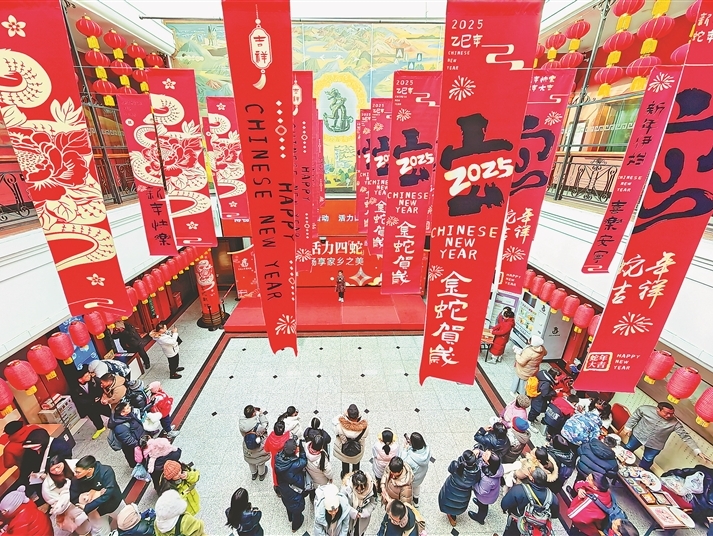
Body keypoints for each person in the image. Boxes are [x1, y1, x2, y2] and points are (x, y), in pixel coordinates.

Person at [622, 401, 709, 471]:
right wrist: (628, 428)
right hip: (638, 435)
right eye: (667, 413)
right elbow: (635, 417)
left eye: (672, 413)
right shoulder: (645, 409)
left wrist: (697, 450)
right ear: (658, 409)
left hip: (656, 445)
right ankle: (619, 464)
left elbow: (685, 436)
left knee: (647, 460)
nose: (669, 415)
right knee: (628, 448)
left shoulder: (675, 423)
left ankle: (640, 474)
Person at [70, 455, 125, 536]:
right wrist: (89, 497)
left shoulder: (106, 471)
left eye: (78, 472)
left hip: (113, 504)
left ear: (89, 470)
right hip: (95, 511)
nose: (75, 474)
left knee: (127, 520)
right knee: (101, 533)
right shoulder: (76, 479)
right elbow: (73, 497)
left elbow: (108, 494)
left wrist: (88, 506)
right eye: (75, 471)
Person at [501, 467, 559, 536]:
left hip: (517, 524)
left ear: (532, 479)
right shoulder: (552, 497)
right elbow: (555, 515)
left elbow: (504, 504)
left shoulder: (518, 490)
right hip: (538, 529)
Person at [41, 457, 92, 536]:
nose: (57, 470)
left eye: (58, 466)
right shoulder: (47, 487)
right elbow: (56, 504)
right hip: (70, 508)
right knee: (84, 529)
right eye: (53, 469)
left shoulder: (74, 464)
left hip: (86, 496)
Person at [438, 449, 480, 527]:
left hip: (451, 488)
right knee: (457, 504)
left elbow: (449, 469)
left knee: (449, 501)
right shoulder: (476, 472)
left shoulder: (455, 465)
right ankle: (453, 518)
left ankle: (451, 516)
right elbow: (476, 481)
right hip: (465, 493)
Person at [274, 439, 307, 533]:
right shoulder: (294, 464)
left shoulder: (278, 458)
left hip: (284, 488)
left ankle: (290, 517)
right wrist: (302, 450)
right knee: (297, 509)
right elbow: (304, 461)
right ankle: (295, 526)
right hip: (294, 490)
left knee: (288, 502)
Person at [70, 364, 111, 440]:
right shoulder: (75, 388)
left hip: (100, 402)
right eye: (86, 375)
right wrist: (91, 401)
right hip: (88, 406)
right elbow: (78, 400)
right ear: (80, 379)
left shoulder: (95, 380)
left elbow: (104, 389)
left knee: (109, 412)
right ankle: (100, 428)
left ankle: (115, 421)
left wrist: (104, 397)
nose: (89, 375)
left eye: (88, 373)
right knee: (95, 418)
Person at [333, 404, 369, 478]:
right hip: (357, 450)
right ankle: (355, 476)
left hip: (344, 450)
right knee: (356, 463)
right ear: (358, 415)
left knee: (345, 463)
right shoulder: (364, 427)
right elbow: (363, 438)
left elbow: (336, 433)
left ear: (348, 415)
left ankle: (345, 475)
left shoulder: (340, 425)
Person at [468, 450, 503, 525]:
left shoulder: (488, 480)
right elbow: (484, 454)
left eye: (486, 455)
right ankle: (479, 503)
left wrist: (473, 483)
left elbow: (481, 491)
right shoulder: (495, 465)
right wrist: (478, 451)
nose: (484, 453)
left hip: (485, 498)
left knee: (483, 507)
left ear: (488, 463)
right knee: (482, 504)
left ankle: (480, 518)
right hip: (489, 493)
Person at [108, 402, 145, 468]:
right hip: (132, 447)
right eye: (127, 408)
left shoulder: (129, 415)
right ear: (122, 413)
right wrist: (137, 444)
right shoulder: (120, 427)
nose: (130, 408)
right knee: (134, 459)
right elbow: (127, 439)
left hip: (139, 440)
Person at [239, 405, 270, 481]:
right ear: (253, 413)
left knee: (250, 461)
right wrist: (261, 415)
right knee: (260, 461)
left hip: (247, 444)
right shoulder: (257, 426)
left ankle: (254, 473)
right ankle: (261, 474)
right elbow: (265, 425)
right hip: (258, 446)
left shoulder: (241, 423)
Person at [342, 470, 376, 536]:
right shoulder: (346, 487)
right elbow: (342, 502)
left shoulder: (372, 488)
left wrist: (366, 512)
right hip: (349, 517)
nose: (359, 492)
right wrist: (352, 511)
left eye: (362, 489)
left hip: (362, 518)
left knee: (359, 533)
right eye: (357, 489)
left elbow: (373, 502)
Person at [401, 432, 430, 506]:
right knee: (417, 487)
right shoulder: (427, 449)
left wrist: (405, 449)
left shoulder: (411, 459)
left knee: (408, 488)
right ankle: (416, 501)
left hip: (412, 478)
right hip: (421, 476)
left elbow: (402, 461)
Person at [264, 420, 291, 496]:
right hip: (286, 460)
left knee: (275, 474)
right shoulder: (287, 437)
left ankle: (277, 489)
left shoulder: (270, 438)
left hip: (275, 460)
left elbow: (266, 449)